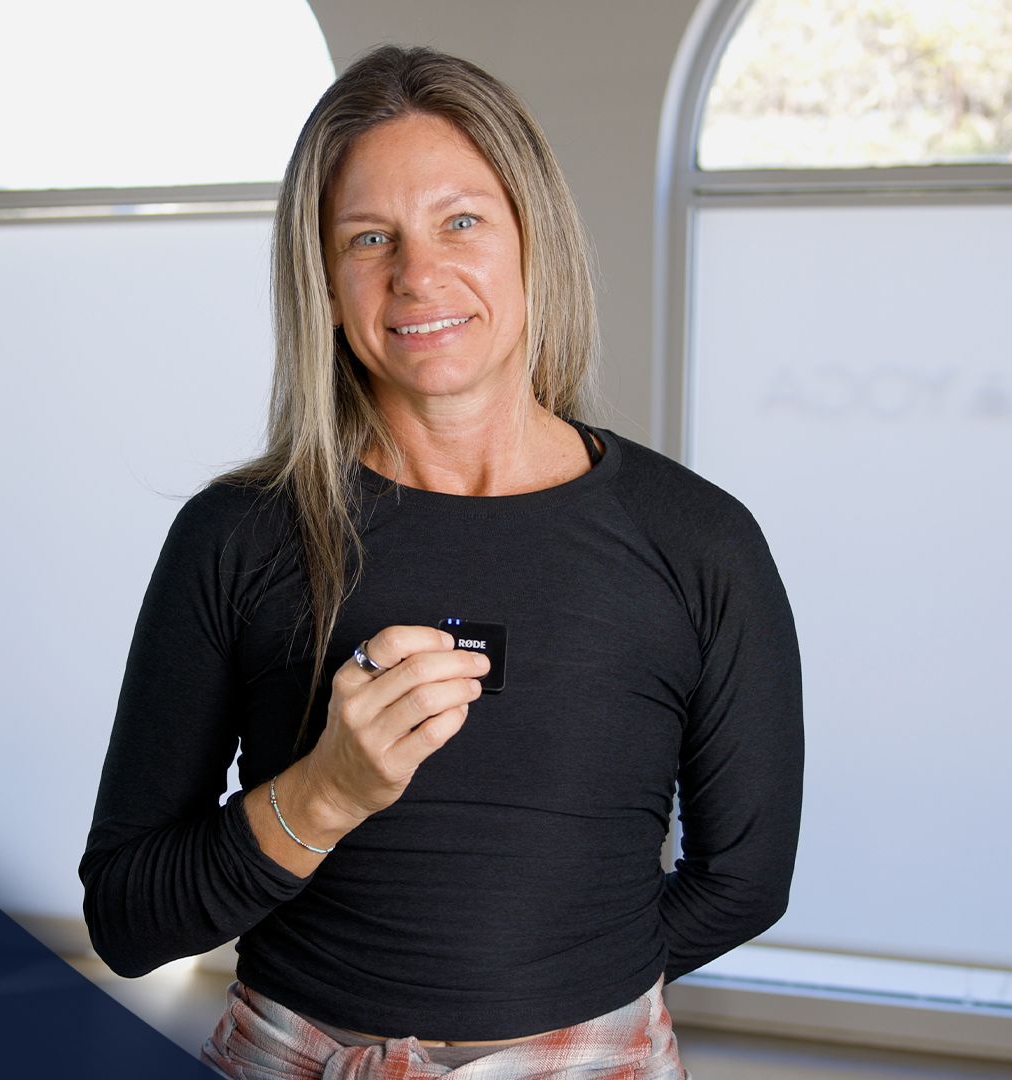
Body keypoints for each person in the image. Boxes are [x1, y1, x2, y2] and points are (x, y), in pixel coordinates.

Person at [79, 44, 802, 1080]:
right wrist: (323, 793)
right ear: (323, 283)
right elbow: (127, 918)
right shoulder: (236, 536)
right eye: (369, 238)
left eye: (461, 221)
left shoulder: (698, 541)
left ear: (531, 240)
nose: (418, 274)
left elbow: (744, 879)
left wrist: (554, 1013)